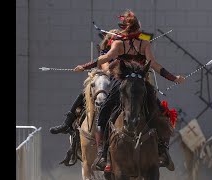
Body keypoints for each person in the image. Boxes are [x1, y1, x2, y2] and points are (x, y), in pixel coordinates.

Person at [73, 10, 185, 171]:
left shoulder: (124, 44)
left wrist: (83, 67)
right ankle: (160, 152)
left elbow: (104, 59)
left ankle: (105, 153)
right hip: (135, 83)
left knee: (106, 113)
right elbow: (153, 65)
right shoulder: (138, 44)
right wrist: (174, 78)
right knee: (157, 111)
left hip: (128, 83)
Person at [49, 29, 121, 135]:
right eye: (116, 40)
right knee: (84, 93)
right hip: (107, 81)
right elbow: (106, 70)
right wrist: (118, 61)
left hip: (120, 82)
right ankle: (67, 122)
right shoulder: (105, 52)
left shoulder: (124, 51)